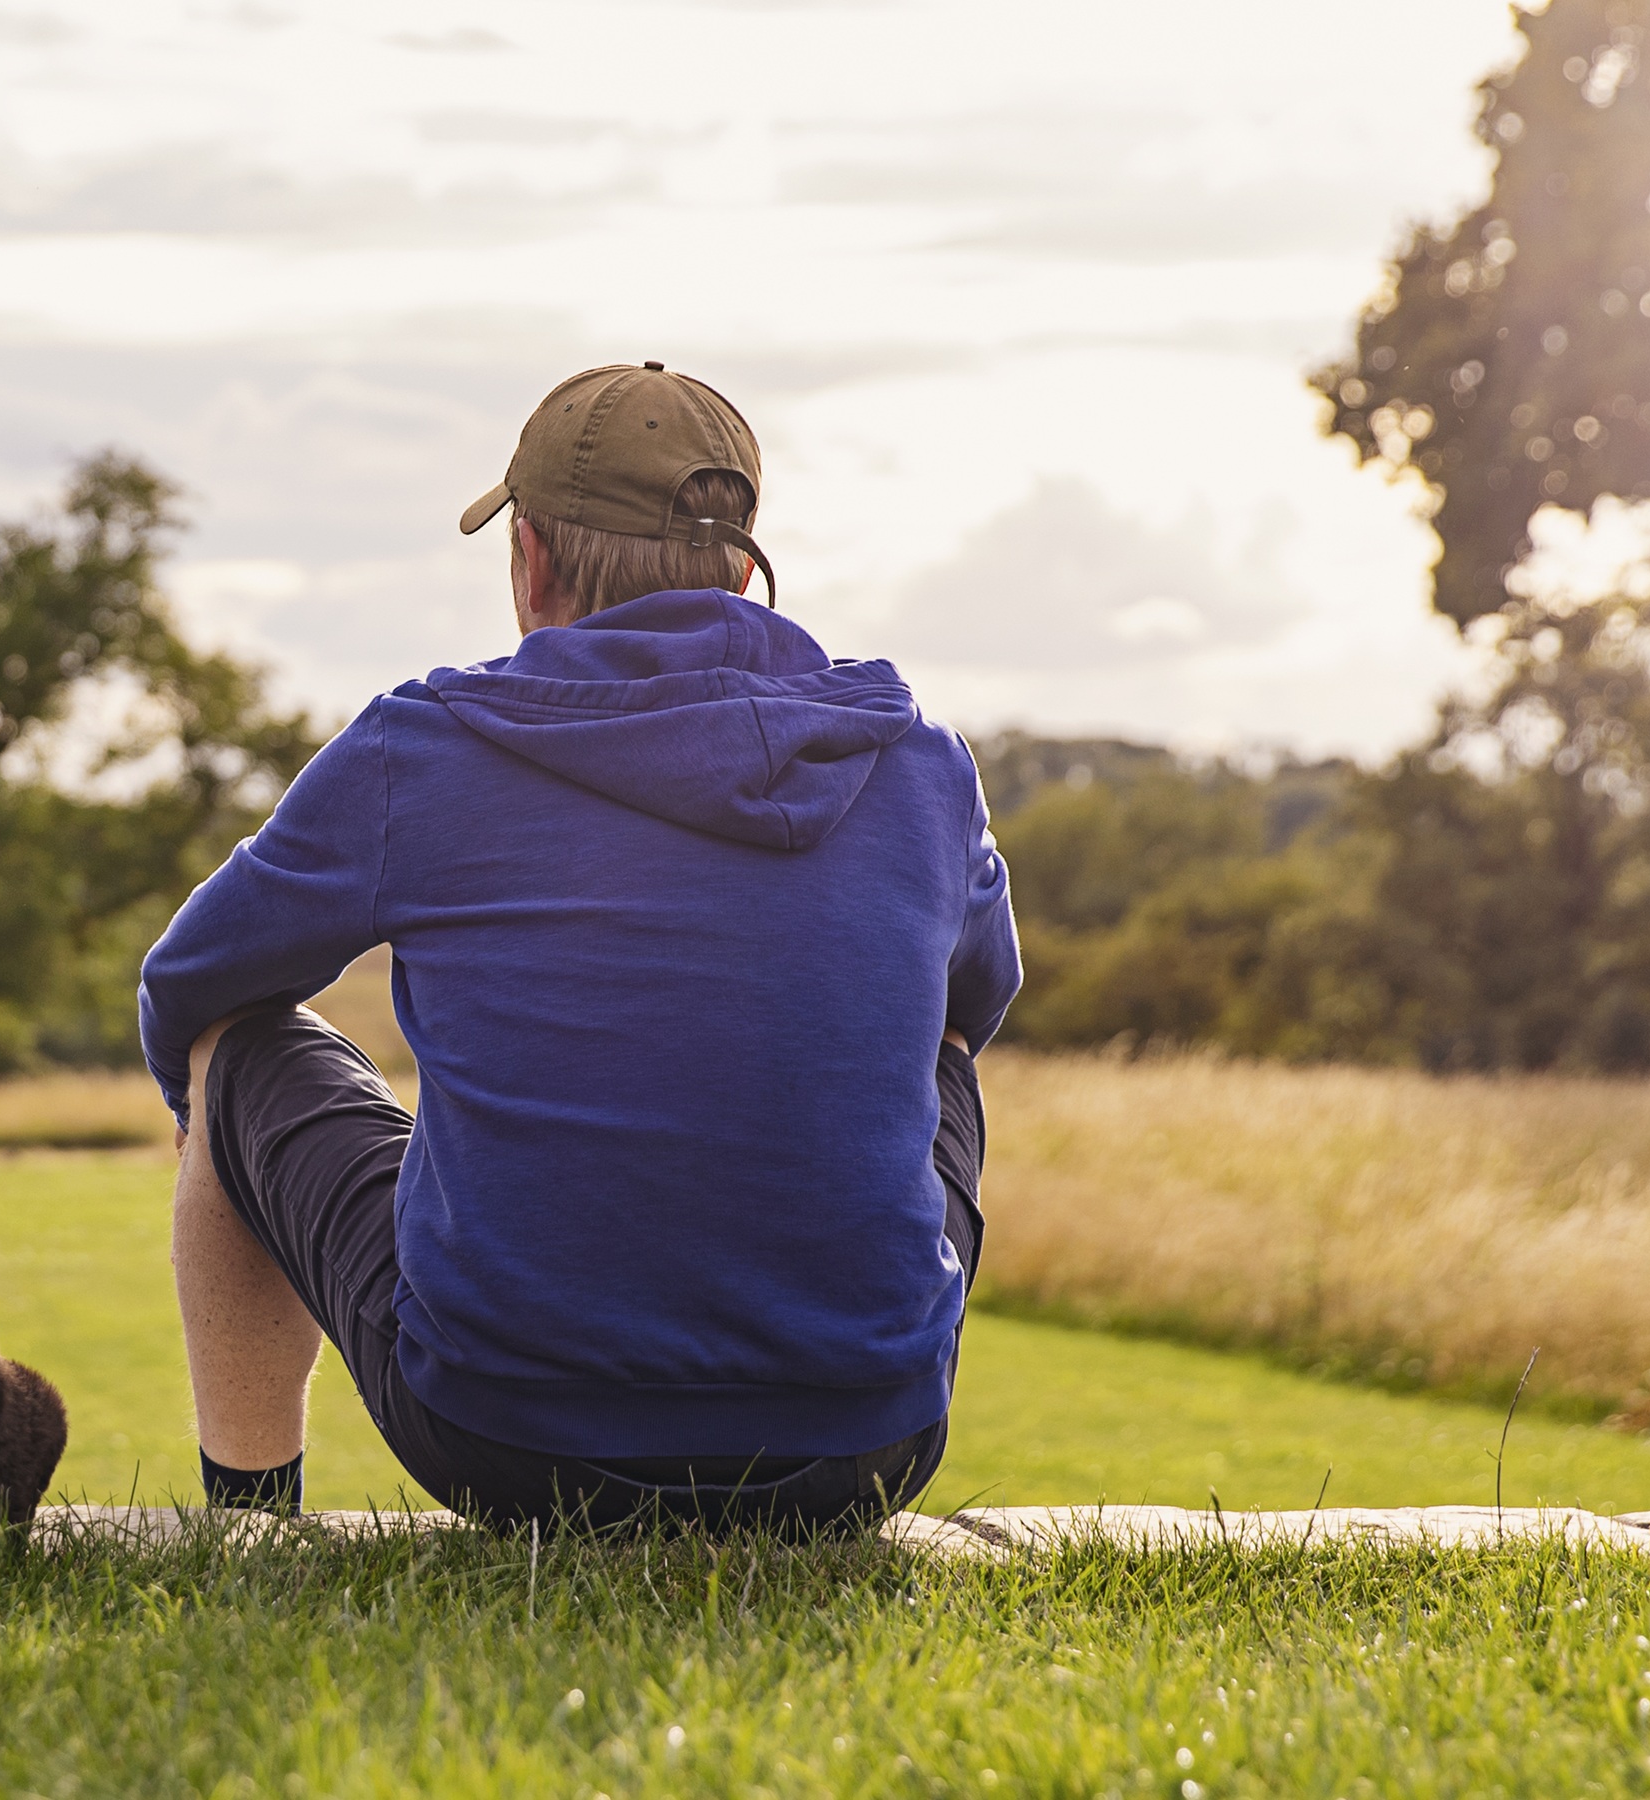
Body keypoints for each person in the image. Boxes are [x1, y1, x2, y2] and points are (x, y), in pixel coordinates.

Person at [135, 362, 1019, 1534]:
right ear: (742, 567)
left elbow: (192, 982)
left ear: (531, 558)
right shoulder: (920, 759)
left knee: (233, 1043)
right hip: (866, 1444)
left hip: (509, 1439)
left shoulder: (424, 744)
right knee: (943, 1038)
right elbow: (975, 1000)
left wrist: (210, 1129)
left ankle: (245, 1522)